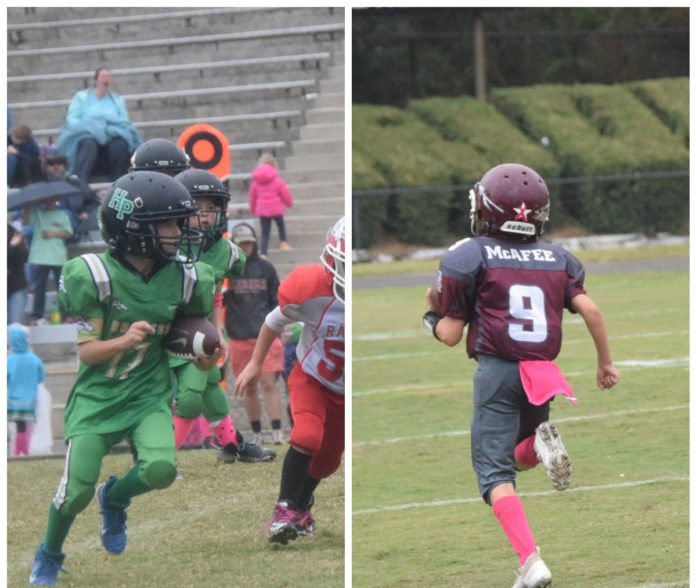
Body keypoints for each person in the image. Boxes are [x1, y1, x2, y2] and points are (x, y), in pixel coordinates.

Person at [422, 163, 620, 587]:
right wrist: (605, 363)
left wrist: (430, 317)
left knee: (494, 475)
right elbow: (591, 311)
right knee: (517, 453)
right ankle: (541, 446)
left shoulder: (471, 254)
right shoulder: (559, 258)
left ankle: (530, 561)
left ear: (488, 209)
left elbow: (451, 335)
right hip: (542, 373)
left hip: (499, 371)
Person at [29, 171, 219, 585]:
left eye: (178, 222)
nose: (179, 232)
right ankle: (50, 552)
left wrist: (203, 361)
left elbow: (190, 349)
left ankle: (113, 498)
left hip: (147, 396)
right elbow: (87, 352)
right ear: (133, 229)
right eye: (167, 224)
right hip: (98, 398)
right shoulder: (93, 275)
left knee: (161, 470)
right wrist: (125, 340)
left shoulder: (187, 278)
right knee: (75, 491)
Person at [234, 217, 345, 544]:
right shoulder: (311, 288)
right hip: (313, 378)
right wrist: (256, 363)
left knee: (328, 462)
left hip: (345, 392)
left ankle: (302, 507)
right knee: (307, 435)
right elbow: (273, 321)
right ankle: (284, 510)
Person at [172, 169, 275, 463]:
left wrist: (216, 330)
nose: (205, 214)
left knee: (209, 386)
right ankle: (161, 458)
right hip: (168, 328)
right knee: (191, 397)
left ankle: (230, 444)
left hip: (199, 329)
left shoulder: (225, 251)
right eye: (197, 207)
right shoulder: (167, 243)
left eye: (211, 207)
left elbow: (216, 291)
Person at [224, 223, 285, 446]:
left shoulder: (265, 268)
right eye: (242, 244)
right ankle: (257, 433)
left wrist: (275, 327)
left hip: (264, 336)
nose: (246, 247)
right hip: (239, 337)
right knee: (248, 386)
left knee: (269, 383)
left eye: (249, 243)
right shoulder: (228, 271)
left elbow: (276, 299)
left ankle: (277, 431)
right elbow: (220, 301)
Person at [56, 67, 140, 182]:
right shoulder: (81, 97)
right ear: (95, 80)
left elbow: (124, 122)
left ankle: (118, 180)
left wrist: (105, 127)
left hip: (111, 134)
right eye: (103, 76)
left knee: (119, 144)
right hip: (87, 134)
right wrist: (93, 127)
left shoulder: (117, 99)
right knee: (88, 144)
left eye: (108, 76)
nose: (106, 79)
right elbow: (72, 119)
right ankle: (80, 179)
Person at [23, 198, 73, 325]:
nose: (50, 203)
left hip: (58, 256)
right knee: (40, 288)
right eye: (47, 201)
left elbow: (68, 233)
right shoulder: (37, 213)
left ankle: (66, 315)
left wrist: (51, 234)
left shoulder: (62, 215)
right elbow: (25, 221)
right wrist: (28, 208)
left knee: (62, 287)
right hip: (40, 256)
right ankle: (37, 316)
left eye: (52, 201)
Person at [42, 153, 101, 241]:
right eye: (51, 164)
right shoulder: (41, 188)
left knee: (66, 214)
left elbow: (94, 202)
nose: (56, 166)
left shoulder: (76, 184)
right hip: (48, 222)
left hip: (73, 222)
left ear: (65, 166)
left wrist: (86, 211)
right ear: (45, 168)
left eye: (59, 163)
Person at [8, 323, 45, 457]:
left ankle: (19, 451)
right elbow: (41, 377)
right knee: (27, 426)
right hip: (31, 399)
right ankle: (25, 449)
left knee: (20, 426)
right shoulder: (35, 359)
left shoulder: (9, 360)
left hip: (14, 399)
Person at [247, 152, 293, 257]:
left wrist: (253, 209)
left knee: (265, 232)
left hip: (262, 210)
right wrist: (289, 203)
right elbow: (285, 192)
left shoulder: (256, 182)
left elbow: (252, 197)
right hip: (276, 208)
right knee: (280, 225)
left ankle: (264, 252)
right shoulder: (276, 179)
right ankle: (283, 242)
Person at [8, 222, 29, 324]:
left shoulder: (15, 233)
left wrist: (17, 246)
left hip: (16, 286)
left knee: (15, 324)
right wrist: (11, 247)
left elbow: (24, 257)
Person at [8, 122, 42, 187]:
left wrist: (17, 153)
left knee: (13, 158)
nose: (13, 139)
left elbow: (34, 160)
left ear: (24, 140)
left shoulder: (31, 144)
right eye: (13, 136)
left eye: (16, 139)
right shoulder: (8, 139)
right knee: (11, 158)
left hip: (24, 171)